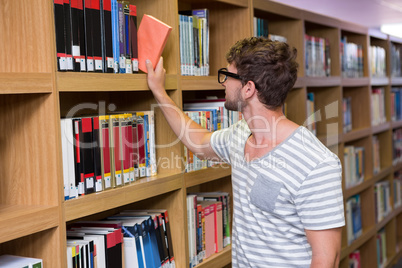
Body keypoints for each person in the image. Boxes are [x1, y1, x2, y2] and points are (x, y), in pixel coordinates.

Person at [146, 37, 345, 268]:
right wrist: (159, 92)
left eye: (227, 76)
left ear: (248, 88)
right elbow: (199, 143)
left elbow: (327, 259)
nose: (223, 83)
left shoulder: (317, 163)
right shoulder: (240, 134)